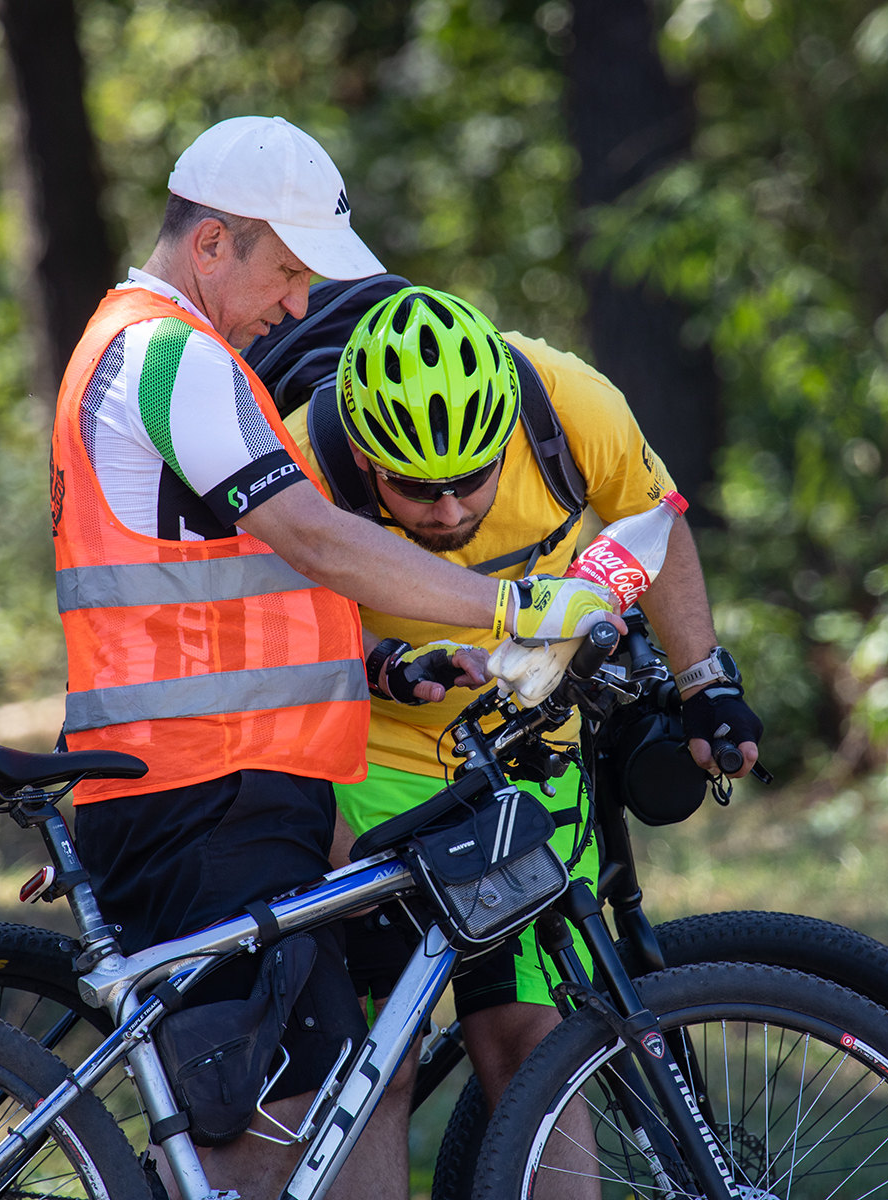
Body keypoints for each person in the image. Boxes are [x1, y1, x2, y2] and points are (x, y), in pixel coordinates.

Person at [49, 117, 619, 1200]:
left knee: (319, 1104)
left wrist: (393, 671)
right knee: (255, 1138)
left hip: (230, 783)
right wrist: (512, 608)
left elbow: (213, 602)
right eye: (288, 271)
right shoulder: (169, 353)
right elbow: (315, 537)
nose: (301, 306)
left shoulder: (158, 353)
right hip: (208, 791)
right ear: (211, 243)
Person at [278, 284, 764, 1159]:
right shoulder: (306, 459)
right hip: (368, 753)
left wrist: (705, 684)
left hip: (522, 751)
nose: (451, 511)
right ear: (362, 451)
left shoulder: (568, 403)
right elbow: (270, 629)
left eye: (471, 480)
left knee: (534, 1045)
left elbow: (656, 524)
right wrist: (388, 661)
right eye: (417, 490)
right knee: (375, 1058)